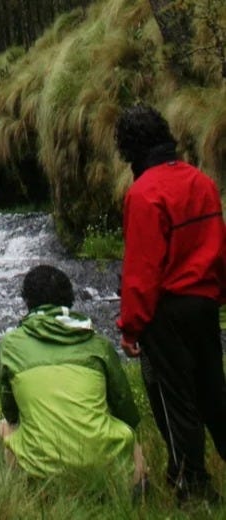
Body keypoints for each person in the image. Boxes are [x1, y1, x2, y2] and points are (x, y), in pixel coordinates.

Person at [115, 104, 226, 503]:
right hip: (205, 302)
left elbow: (141, 271)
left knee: (176, 399)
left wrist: (131, 327)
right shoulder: (202, 182)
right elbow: (219, 244)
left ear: (128, 150)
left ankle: (193, 486)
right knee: (214, 391)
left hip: (167, 311)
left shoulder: (143, 194)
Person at [0, 265, 145, 487]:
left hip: (41, 470)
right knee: (129, 434)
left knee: (4, 426)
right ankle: (136, 487)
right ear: (70, 300)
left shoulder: (10, 346)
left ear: (27, 302)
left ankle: (25, 489)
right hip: (105, 467)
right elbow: (126, 410)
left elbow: (11, 411)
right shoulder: (99, 345)